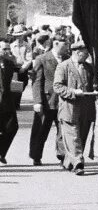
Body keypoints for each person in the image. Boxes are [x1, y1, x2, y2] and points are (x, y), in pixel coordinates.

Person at [53, 41, 96, 175]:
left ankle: (69, 161)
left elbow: (92, 84)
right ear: (77, 52)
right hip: (69, 108)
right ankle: (78, 162)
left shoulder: (89, 67)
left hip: (86, 108)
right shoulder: (63, 66)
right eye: (86, 53)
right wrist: (72, 92)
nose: (87, 55)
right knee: (73, 136)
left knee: (81, 136)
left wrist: (94, 91)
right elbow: (57, 86)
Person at [29, 36, 68, 166]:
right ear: (56, 44)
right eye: (65, 44)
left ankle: (63, 156)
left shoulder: (68, 58)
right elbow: (37, 81)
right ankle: (36, 155)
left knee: (63, 130)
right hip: (46, 101)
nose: (67, 46)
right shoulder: (42, 59)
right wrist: (37, 102)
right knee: (40, 130)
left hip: (63, 101)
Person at [0, 40, 27, 164]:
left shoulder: (9, 63)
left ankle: (1, 152)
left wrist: (32, 61)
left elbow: (20, 71)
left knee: (12, 127)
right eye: (4, 49)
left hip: (6, 101)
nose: (7, 52)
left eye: (8, 49)